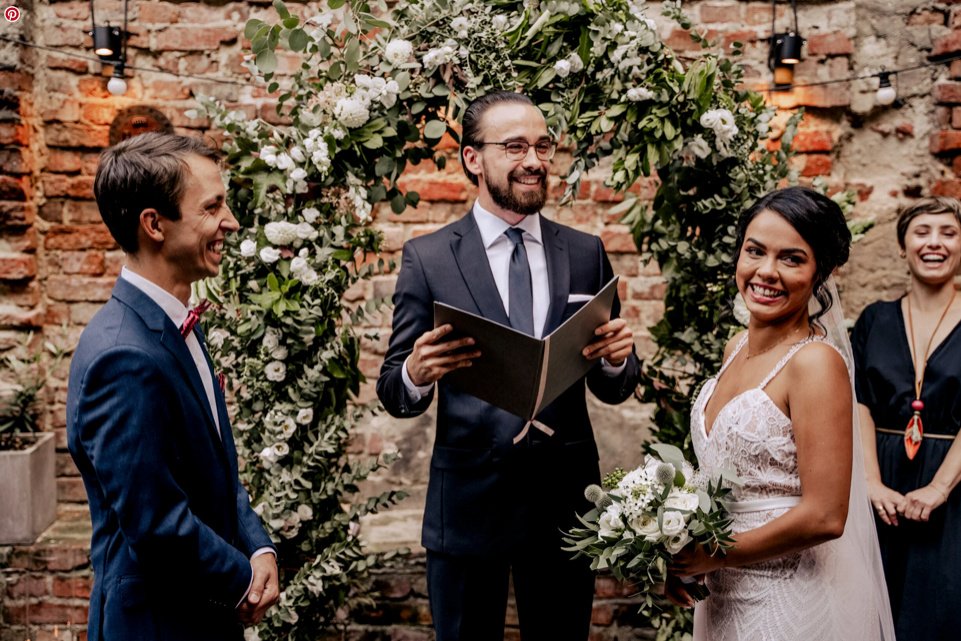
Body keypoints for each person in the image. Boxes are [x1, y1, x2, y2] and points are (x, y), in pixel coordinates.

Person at [376, 91, 641, 641]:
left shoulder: (586, 252)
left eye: (543, 146)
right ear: (473, 158)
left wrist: (618, 362)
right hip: (468, 505)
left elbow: (615, 385)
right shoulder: (428, 257)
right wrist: (415, 373)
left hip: (567, 504)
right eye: (515, 146)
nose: (534, 160)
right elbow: (394, 390)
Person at [67, 133, 279, 640]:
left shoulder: (176, 323)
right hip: (158, 623)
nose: (231, 221)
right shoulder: (122, 356)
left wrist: (258, 545)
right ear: (154, 225)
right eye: (212, 207)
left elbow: (214, 471)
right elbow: (156, 523)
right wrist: (242, 581)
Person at [666, 187, 895, 640]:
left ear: (821, 272)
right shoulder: (736, 347)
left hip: (790, 600)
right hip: (725, 594)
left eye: (792, 259)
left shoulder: (815, 364)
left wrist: (713, 553)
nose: (766, 271)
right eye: (755, 251)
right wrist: (683, 557)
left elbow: (826, 516)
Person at [853, 197, 961, 640]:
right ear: (902, 246)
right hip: (880, 493)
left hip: (953, 492)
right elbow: (859, 402)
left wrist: (939, 488)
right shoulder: (874, 319)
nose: (934, 242)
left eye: (948, 233)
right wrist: (870, 483)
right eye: (922, 232)